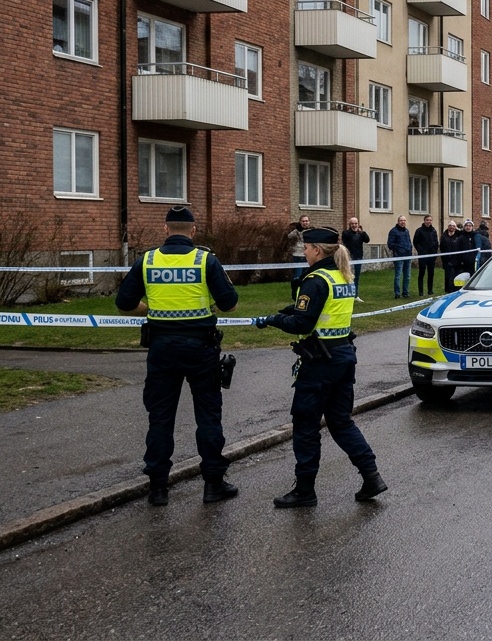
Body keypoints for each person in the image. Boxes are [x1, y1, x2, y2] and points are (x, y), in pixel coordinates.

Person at [254, 228, 387, 508]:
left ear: (317, 250)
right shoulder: (342, 275)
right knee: (340, 422)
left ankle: (304, 490)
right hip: (343, 356)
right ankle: (371, 476)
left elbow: (302, 323)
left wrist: (274, 320)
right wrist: (290, 310)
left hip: (319, 363)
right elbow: (316, 309)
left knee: (305, 425)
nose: (304, 252)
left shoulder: (314, 280)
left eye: (307, 247)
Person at [115, 206, 239, 506]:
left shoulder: (147, 260)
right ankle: (213, 485)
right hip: (201, 349)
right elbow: (231, 303)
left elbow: (123, 303)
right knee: (208, 416)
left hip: (161, 349)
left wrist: (153, 310)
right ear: (193, 231)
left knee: (160, 418)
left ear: (165, 228)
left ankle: (158, 489)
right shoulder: (205, 260)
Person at [340, 217, 370, 302]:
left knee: (356, 276)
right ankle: (346, 294)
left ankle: (355, 295)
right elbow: (346, 238)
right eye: (352, 223)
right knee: (347, 276)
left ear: (358, 224)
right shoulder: (346, 233)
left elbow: (367, 240)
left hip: (358, 257)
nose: (354, 225)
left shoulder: (361, 233)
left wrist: (362, 232)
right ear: (349, 224)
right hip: (348, 258)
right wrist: (355, 232)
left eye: (355, 223)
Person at [387, 215, 412, 298]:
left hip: (408, 256)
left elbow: (409, 242)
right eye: (401, 220)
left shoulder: (406, 231)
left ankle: (405, 292)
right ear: (398, 221)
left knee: (407, 276)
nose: (403, 222)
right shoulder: (393, 231)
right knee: (398, 275)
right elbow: (390, 244)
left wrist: (409, 249)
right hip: (399, 256)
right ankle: (397, 293)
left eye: (404, 220)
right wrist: (398, 249)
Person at [413, 215, 439, 296]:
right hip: (423, 255)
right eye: (427, 220)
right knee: (422, 273)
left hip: (431, 256)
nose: (429, 221)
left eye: (430, 220)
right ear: (424, 221)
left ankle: (430, 290)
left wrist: (434, 252)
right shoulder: (419, 231)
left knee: (431, 273)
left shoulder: (433, 231)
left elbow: (436, 242)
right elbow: (415, 242)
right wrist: (421, 251)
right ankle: (421, 291)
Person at [286, 215, 310, 291]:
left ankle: (305, 290)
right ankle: (295, 291)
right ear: (300, 222)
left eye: (306, 221)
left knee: (307, 274)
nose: (305, 223)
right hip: (298, 254)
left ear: (309, 222)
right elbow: (289, 236)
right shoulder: (296, 231)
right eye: (303, 221)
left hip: (308, 254)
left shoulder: (311, 230)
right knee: (298, 274)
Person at [439, 220, 464, 293]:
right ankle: (447, 290)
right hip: (447, 259)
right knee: (447, 275)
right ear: (448, 227)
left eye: (454, 226)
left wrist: (458, 230)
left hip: (456, 259)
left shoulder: (458, 235)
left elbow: (464, 234)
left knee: (456, 275)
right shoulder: (444, 236)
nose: (452, 227)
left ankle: (455, 289)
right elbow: (442, 248)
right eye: (450, 226)